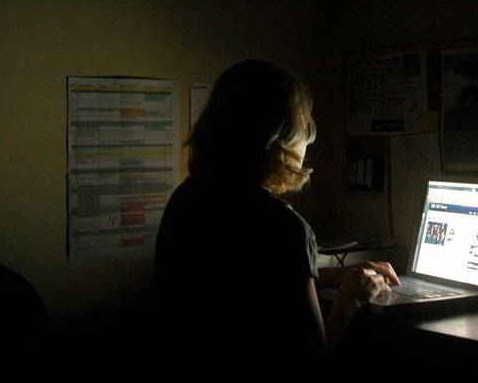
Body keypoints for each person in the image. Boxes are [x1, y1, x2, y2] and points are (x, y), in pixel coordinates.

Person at [153, 59, 400, 375]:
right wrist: (352, 297)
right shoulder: (283, 227)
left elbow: (239, 283)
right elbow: (311, 364)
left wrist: (321, 276)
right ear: (277, 142)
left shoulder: (187, 199)